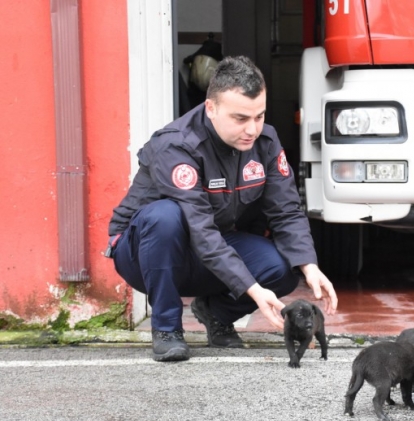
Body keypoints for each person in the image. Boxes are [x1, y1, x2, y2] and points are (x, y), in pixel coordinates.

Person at [105, 55, 337, 362]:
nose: (252, 129)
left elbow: (287, 210)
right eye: (240, 119)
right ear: (210, 108)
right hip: (144, 253)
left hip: (208, 249)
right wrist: (252, 289)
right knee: (165, 216)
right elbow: (199, 227)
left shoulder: (265, 142)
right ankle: (166, 328)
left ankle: (215, 313)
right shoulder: (177, 146)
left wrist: (309, 265)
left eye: (259, 116)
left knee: (282, 267)